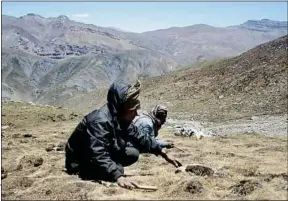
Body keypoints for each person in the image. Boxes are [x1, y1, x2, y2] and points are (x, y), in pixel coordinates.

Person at [65, 79, 180, 190]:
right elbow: (98, 152)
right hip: (78, 161)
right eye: (132, 109)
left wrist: (162, 152)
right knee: (118, 170)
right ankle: (86, 171)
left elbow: (140, 136)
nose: (136, 114)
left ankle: (108, 168)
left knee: (132, 153)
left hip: (95, 153)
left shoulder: (120, 118)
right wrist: (117, 176)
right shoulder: (100, 120)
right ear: (120, 106)